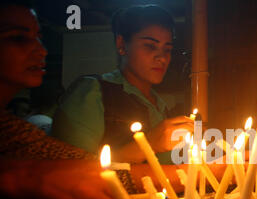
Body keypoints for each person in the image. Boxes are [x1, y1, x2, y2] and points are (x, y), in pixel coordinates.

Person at [0, 0, 119, 199]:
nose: (41, 50)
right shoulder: (92, 90)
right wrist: (20, 177)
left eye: (39, 38)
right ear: (121, 46)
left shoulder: (13, 130)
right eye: (18, 38)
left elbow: (80, 167)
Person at [52, 5, 194, 164]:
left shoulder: (161, 106)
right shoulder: (94, 93)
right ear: (121, 44)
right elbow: (72, 173)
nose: (162, 58)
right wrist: (148, 144)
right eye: (150, 46)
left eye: (167, 50)